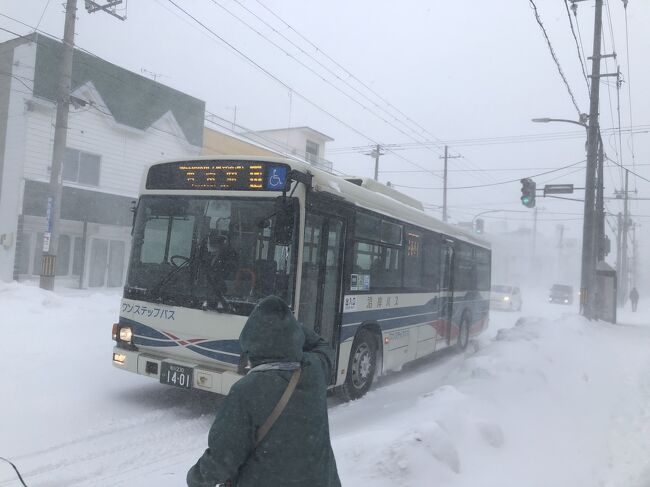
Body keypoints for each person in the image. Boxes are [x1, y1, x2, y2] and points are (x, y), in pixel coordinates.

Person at [187, 296, 341, 487]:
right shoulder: (315, 370)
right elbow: (322, 345)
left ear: (250, 344)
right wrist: (290, 330)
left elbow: (222, 459)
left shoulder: (246, 391)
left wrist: (195, 479)